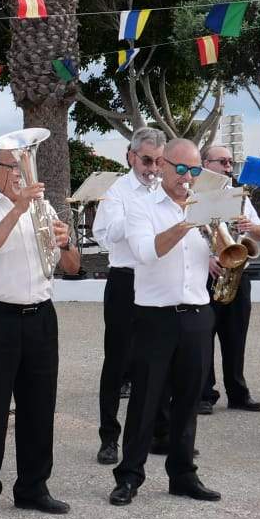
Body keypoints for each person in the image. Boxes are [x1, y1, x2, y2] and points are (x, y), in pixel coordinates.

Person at [0, 135, 79, 518]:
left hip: (40, 316)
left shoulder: (42, 206)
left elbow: (73, 268)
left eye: (24, 165)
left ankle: (33, 487)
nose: (20, 175)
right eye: (13, 167)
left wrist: (65, 243)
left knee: (39, 407)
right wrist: (17, 209)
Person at [111, 139, 222, 507]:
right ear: (162, 166)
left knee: (189, 401)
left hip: (197, 315)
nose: (187, 178)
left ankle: (182, 475)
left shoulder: (208, 209)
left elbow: (216, 255)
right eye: (181, 169)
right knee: (145, 400)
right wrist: (187, 222)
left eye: (194, 171)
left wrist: (225, 247)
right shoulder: (141, 208)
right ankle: (129, 476)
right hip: (155, 317)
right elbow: (146, 252)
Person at [91, 126, 165, 465]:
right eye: (146, 160)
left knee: (157, 359)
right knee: (117, 360)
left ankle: (158, 433)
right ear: (131, 156)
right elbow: (105, 234)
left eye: (158, 162)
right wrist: (143, 215)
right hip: (125, 279)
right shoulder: (117, 191)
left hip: (158, 277)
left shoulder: (164, 188)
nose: (152, 169)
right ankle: (109, 437)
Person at [198, 143, 260, 416]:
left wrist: (251, 228)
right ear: (205, 163)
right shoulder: (193, 192)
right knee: (204, 337)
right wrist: (206, 258)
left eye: (230, 162)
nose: (228, 167)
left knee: (236, 337)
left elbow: (259, 234)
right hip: (207, 273)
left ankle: (238, 392)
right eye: (222, 162)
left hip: (237, 272)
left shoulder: (238, 196)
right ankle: (204, 393)